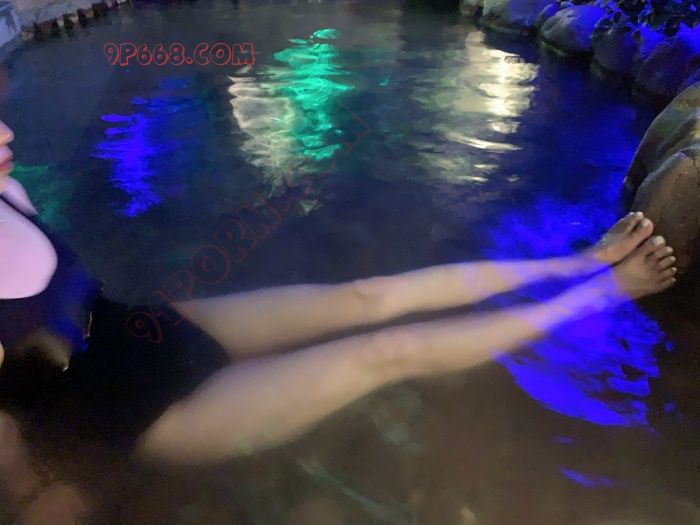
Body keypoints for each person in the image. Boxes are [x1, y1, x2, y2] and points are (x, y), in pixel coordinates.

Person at [0, 115, 678, 518]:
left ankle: (579, 263)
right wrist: (39, 493)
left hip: (144, 329)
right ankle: (603, 295)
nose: (5, 131)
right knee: (384, 352)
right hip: (136, 418)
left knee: (365, 295)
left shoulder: (8, 188)